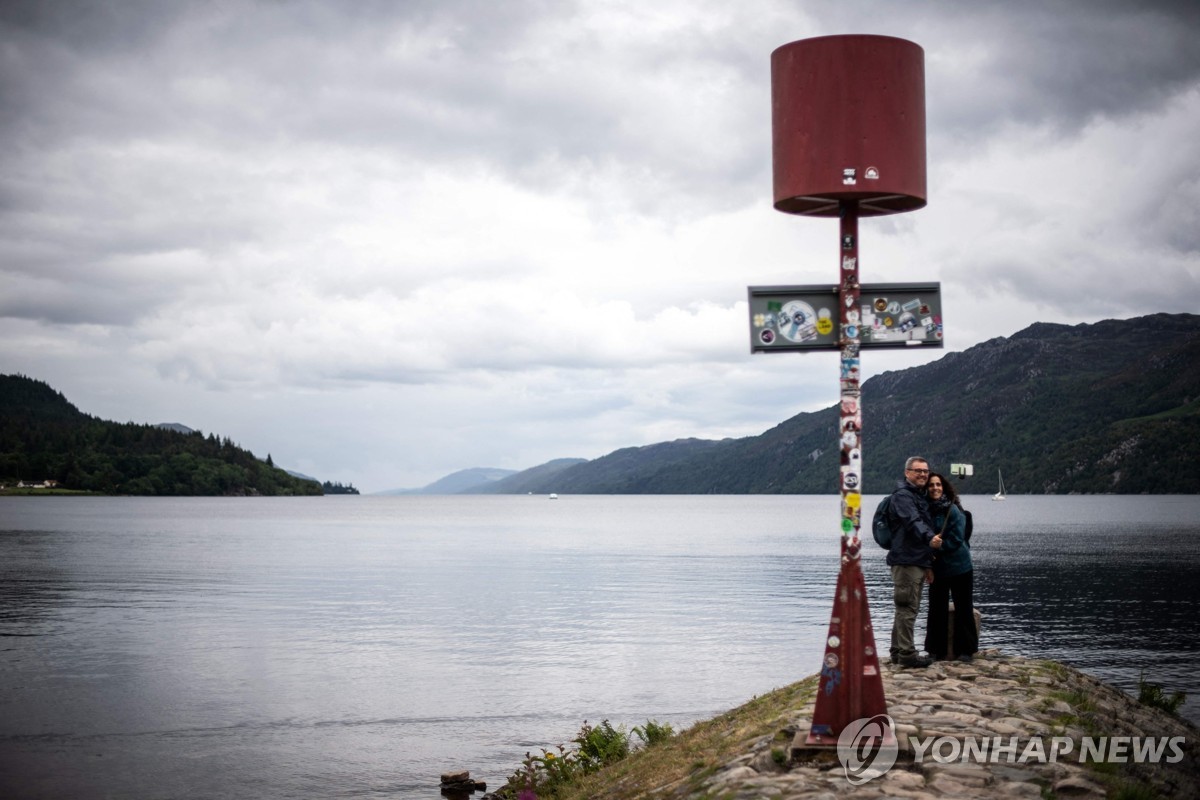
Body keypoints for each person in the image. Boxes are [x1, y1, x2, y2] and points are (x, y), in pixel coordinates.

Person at [886, 456, 943, 668]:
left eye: (925, 471)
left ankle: (897, 652)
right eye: (917, 470)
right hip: (906, 561)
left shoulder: (917, 495)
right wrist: (930, 538)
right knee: (907, 610)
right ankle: (908, 655)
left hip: (915, 560)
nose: (922, 474)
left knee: (905, 609)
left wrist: (927, 563)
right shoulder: (902, 496)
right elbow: (913, 522)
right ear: (907, 472)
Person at [924, 472, 978, 662]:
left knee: (964, 607)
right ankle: (934, 651)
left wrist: (940, 546)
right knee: (935, 609)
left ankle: (966, 650)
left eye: (938, 484)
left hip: (960, 567)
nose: (935, 488)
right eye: (931, 485)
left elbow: (957, 538)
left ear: (944, 487)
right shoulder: (924, 511)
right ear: (926, 488)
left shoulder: (953, 510)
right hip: (938, 569)